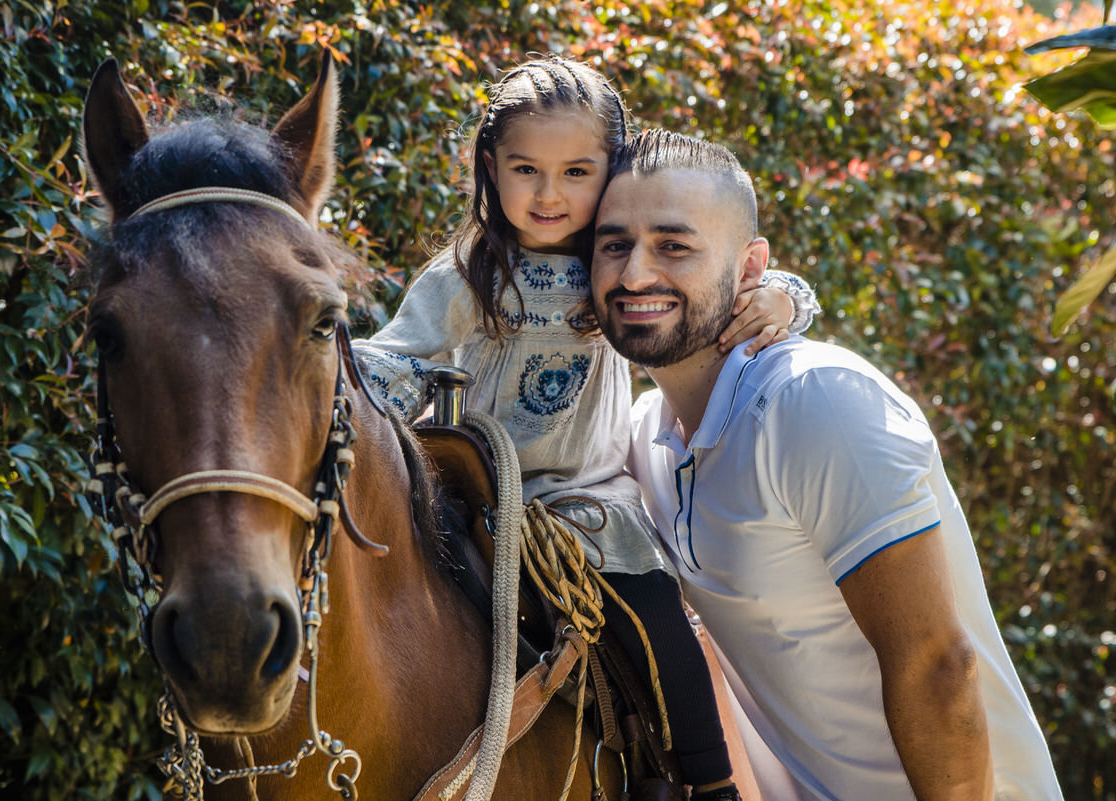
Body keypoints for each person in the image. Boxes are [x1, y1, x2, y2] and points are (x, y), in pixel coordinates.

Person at [354, 56, 820, 800]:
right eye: (525, 169)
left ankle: (706, 783)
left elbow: (732, 279)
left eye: (577, 171)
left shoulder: (615, 262)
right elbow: (391, 357)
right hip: (475, 498)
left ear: (613, 169)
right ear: (489, 167)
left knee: (657, 620)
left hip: (587, 502)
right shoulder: (467, 273)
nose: (548, 194)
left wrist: (786, 300)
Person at [590, 128, 1064, 801]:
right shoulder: (643, 443)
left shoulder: (813, 400)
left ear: (751, 268)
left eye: (674, 245)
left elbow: (936, 663)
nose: (635, 273)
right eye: (614, 245)